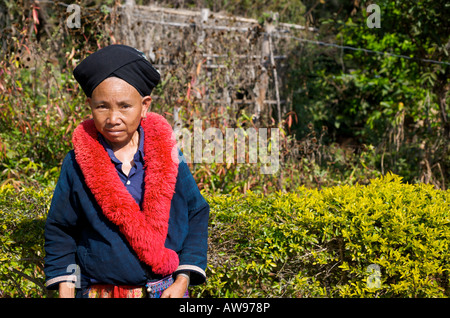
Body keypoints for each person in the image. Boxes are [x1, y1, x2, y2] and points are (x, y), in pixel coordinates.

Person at [44, 44, 210, 298]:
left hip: (164, 292)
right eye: (102, 106)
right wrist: (66, 291)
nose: (113, 118)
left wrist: (182, 281)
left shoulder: (170, 157)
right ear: (89, 105)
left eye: (124, 106)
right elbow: (61, 228)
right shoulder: (77, 163)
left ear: (144, 106)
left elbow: (196, 212)